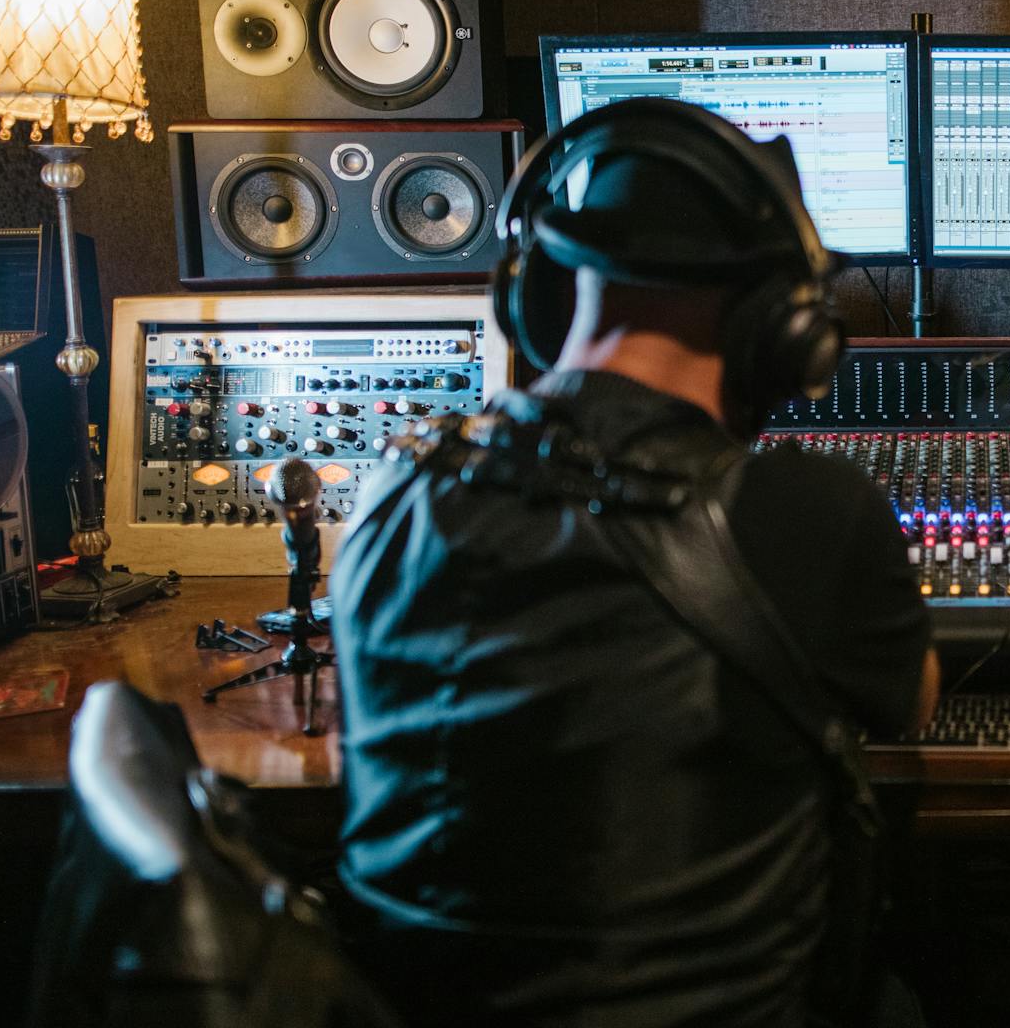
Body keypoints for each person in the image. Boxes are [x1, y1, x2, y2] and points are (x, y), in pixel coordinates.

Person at [329, 98, 939, 1027]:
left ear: (537, 294)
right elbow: (912, 702)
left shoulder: (393, 489)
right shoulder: (805, 512)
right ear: (781, 333)